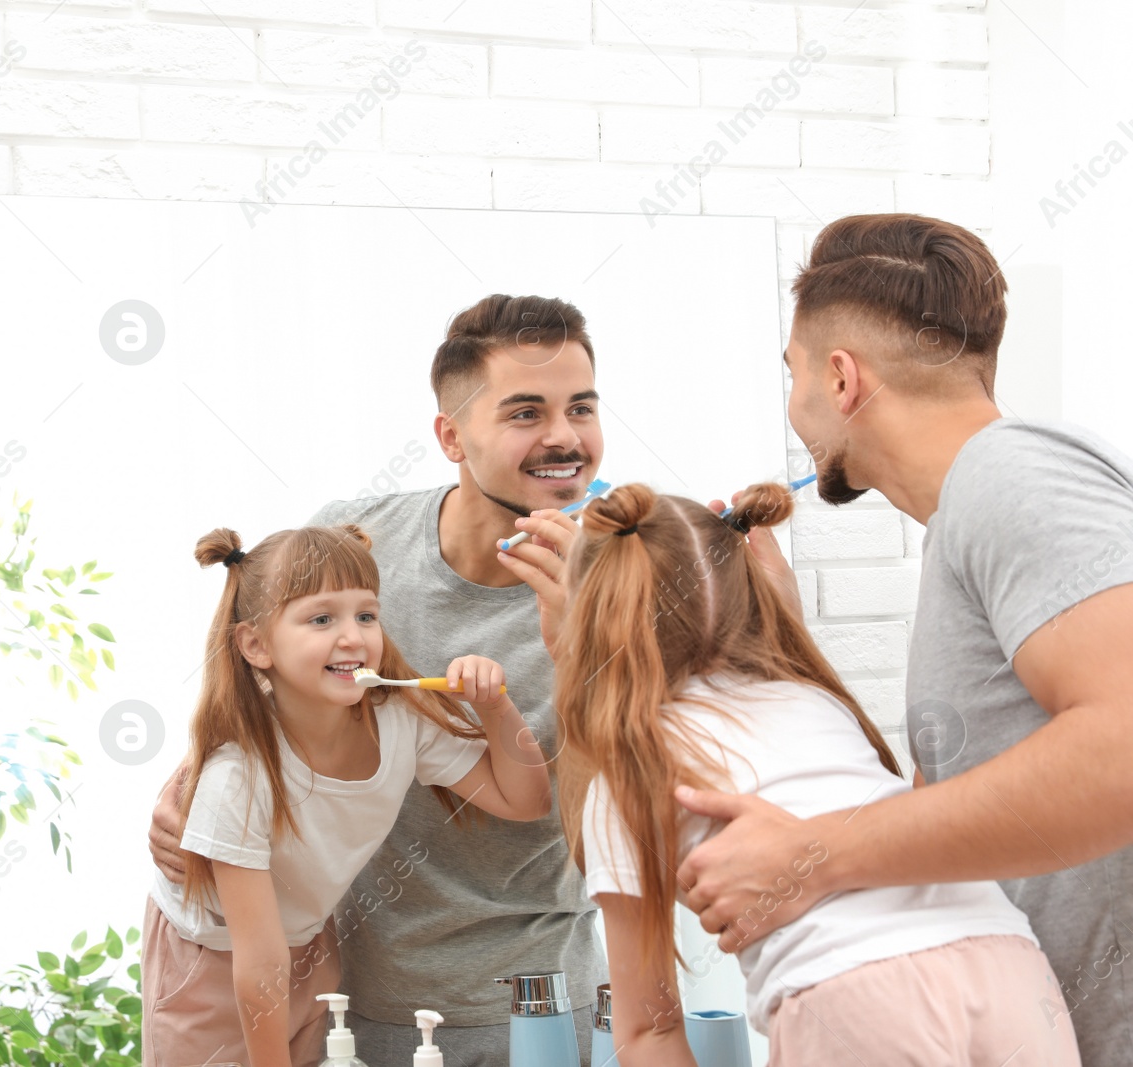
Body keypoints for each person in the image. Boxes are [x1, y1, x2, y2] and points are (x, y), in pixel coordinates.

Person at [663, 214, 1133, 1066]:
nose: (796, 407)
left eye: (794, 375)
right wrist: (784, 637)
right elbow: (960, 813)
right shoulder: (973, 518)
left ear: (841, 379)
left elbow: (1125, 744)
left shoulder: (1012, 474)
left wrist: (813, 855)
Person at [149, 294, 608, 1065]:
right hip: (343, 992)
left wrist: (581, 646)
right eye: (526, 412)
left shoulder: (623, 583)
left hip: (535, 997)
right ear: (451, 436)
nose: (564, 438)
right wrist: (193, 790)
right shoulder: (358, 544)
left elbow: (617, 820)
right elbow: (264, 690)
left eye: (582, 408)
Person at [552, 479, 1080, 1065]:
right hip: (1010, 966)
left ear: (587, 616)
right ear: (748, 588)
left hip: (852, 995)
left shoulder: (629, 772)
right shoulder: (816, 702)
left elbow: (648, 1030)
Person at [141, 521, 551, 1067]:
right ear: (256, 644)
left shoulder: (400, 719)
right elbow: (258, 960)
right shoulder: (238, 775)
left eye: (366, 615)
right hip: (210, 960)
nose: (354, 637)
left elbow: (527, 801)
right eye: (321, 619)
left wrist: (496, 707)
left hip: (310, 943)